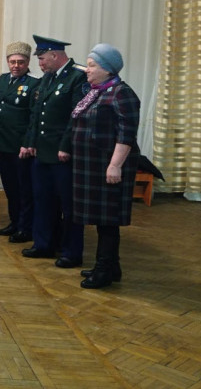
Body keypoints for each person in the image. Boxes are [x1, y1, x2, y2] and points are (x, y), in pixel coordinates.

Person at [72, 44, 140, 289]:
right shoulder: (97, 92)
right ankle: (111, 266)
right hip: (92, 167)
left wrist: (115, 165)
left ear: (108, 69)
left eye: (92, 65)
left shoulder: (122, 93)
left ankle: (103, 270)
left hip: (108, 166)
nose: (87, 70)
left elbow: (126, 133)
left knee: (108, 219)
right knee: (103, 220)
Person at [20, 35, 87, 268]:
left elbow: (76, 117)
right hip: (42, 152)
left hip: (62, 154)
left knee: (69, 207)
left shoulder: (78, 77)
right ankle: (43, 244)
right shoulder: (48, 78)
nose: (40, 64)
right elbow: (36, 114)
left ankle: (71, 251)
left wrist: (65, 146)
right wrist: (30, 142)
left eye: (42, 59)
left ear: (55, 55)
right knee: (43, 201)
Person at [0, 41, 40, 243]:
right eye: (12, 62)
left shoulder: (34, 84)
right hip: (3, 144)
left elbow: (33, 117)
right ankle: (14, 222)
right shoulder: (2, 80)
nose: (16, 66)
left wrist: (27, 143)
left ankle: (25, 227)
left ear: (27, 63)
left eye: (20, 62)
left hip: (20, 146)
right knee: (10, 187)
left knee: (23, 189)